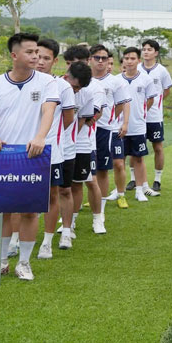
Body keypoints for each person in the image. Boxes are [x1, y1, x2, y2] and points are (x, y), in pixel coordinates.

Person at [0, 33, 59, 281]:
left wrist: (40, 137)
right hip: (2, 156)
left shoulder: (47, 82)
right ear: (14, 55)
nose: (36, 57)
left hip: (33, 155)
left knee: (30, 212)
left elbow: (49, 111)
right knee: (0, 211)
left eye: (37, 52)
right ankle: (0, 262)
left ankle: (24, 263)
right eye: (29, 52)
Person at [34, 38, 79, 258]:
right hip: (24, 151)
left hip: (56, 150)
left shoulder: (63, 87)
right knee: (24, 196)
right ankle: (15, 239)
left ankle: (52, 239)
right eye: (37, 56)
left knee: (59, 192)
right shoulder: (24, 82)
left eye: (46, 58)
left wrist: (52, 136)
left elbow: (68, 119)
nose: (40, 62)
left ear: (55, 61)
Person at [64, 45, 107, 235]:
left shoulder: (94, 87)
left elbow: (92, 115)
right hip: (64, 143)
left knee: (90, 181)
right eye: (69, 63)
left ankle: (98, 218)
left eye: (78, 63)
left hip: (84, 143)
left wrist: (72, 131)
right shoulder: (62, 83)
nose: (73, 67)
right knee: (72, 184)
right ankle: (70, 222)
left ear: (87, 61)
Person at [90, 45, 132, 210]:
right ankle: (93, 199)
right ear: (90, 59)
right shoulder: (84, 79)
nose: (101, 61)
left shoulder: (115, 81)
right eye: (97, 57)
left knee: (113, 165)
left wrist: (114, 120)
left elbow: (121, 104)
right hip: (85, 130)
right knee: (87, 168)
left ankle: (117, 196)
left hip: (107, 130)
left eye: (104, 58)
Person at [119, 47, 160, 202]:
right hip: (119, 127)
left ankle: (140, 189)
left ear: (138, 60)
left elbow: (150, 100)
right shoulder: (117, 80)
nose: (129, 61)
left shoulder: (145, 79)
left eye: (132, 58)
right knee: (119, 160)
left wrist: (141, 113)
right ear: (123, 60)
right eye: (126, 58)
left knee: (138, 158)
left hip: (138, 127)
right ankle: (119, 190)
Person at [141, 38, 172, 193]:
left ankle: (157, 179)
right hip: (138, 118)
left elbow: (166, 90)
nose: (146, 52)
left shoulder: (161, 70)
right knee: (135, 149)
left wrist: (157, 103)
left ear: (156, 53)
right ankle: (134, 179)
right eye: (144, 49)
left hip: (154, 117)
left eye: (149, 49)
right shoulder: (137, 69)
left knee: (158, 147)